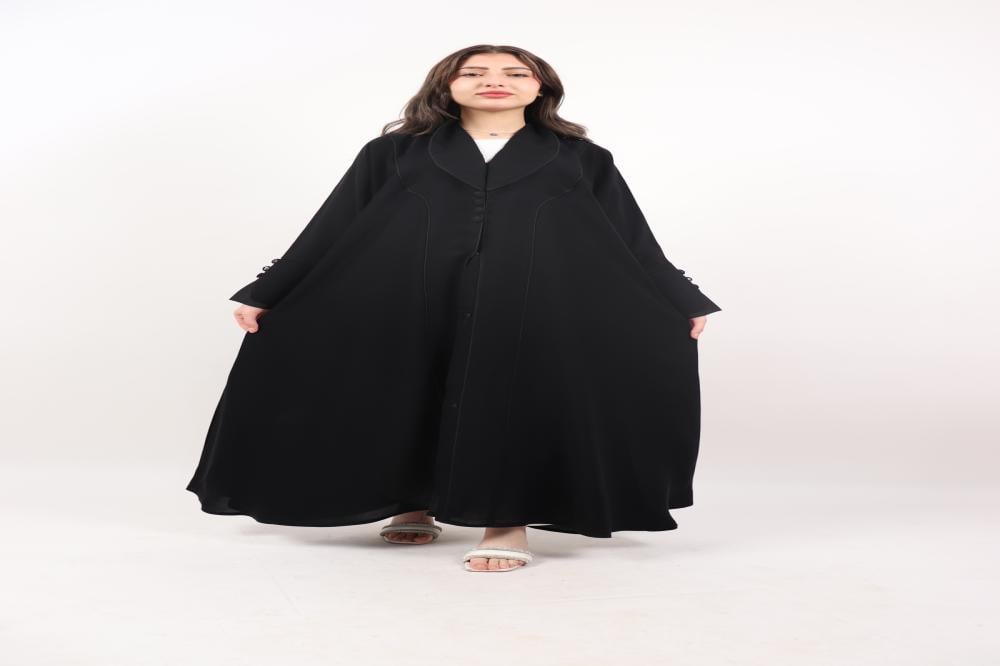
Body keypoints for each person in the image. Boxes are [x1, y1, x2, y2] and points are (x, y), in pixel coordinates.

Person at [186, 44, 722, 573]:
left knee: (508, 404)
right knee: (407, 395)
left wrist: (681, 298)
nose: (496, 81)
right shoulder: (393, 152)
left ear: (540, 87)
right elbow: (333, 224)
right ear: (446, 84)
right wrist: (269, 290)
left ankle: (505, 523)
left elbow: (630, 236)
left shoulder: (582, 158)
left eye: (515, 73)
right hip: (408, 297)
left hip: (527, 304)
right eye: (475, 72)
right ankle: (411, 501)